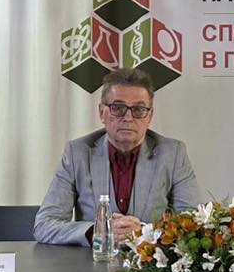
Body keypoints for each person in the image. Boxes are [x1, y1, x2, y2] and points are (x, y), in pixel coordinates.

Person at [34, 68, 204, 246]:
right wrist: (96, 231)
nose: (128, 118)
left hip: (151, 262)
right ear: (102, 112)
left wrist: (144, 232)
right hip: (93, 261)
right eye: (118, 108)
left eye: (138, 109)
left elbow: (193, 224)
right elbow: (44, 225)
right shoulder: (77, 153)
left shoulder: (173, 154)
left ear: (150, 116)